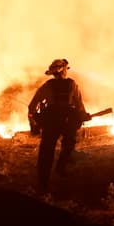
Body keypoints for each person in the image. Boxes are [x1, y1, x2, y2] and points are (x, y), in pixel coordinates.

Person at [27, 57, 89, 193]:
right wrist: (83, 115)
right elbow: (79, 105)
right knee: (69, 144)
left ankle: (43, 183)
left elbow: (32, 106)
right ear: (63, 71)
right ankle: (61, 167)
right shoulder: (73, 85)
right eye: (66, 69)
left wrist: (34, 121)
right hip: (67, 122)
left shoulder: (47, 86)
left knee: (46, 152)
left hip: (50, 122)